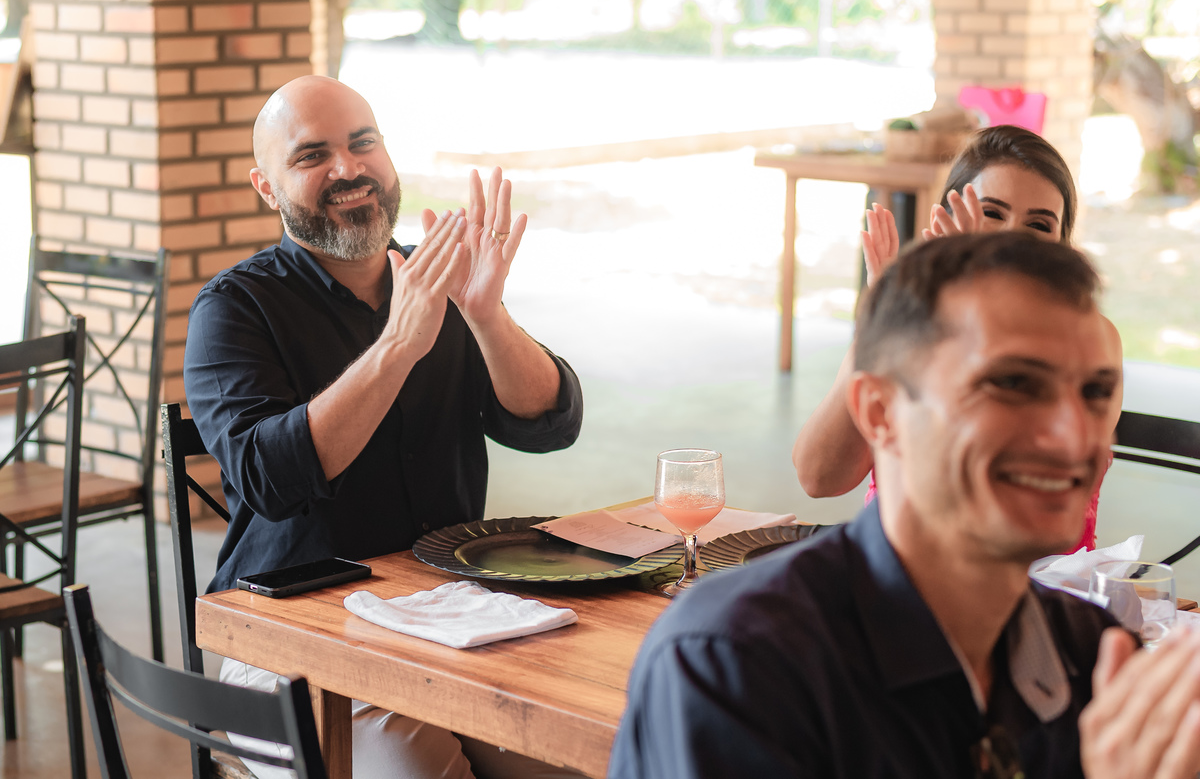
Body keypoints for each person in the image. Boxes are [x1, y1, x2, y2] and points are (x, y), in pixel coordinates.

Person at [610, 231, 1200, 779]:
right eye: (1015, 384)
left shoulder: (1090, 653)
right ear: (880, 413)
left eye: (1095, 393)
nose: (1074, 435)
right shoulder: (739, 663)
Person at [183, 75, 583, 779]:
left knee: (577, 757)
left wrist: (487, 316)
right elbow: (268, 480)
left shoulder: (435, 281)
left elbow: (548, 421)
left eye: (362, 143)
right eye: (313, 156)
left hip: (447, 618)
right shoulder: (234, 309)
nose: (348, 168)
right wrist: (398, 345)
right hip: (288, 640)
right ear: (267, 187)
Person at [791, 124, 1120, 551]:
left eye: (1038, 224)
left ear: (1062, 246)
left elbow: (990, 492)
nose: (1010, 240)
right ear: (945, 218)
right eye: (992, 213)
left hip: (1039, 593)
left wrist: (959, 310)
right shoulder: (912, 321)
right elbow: (819, 477)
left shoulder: (1093, 342)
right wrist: (890, 320)